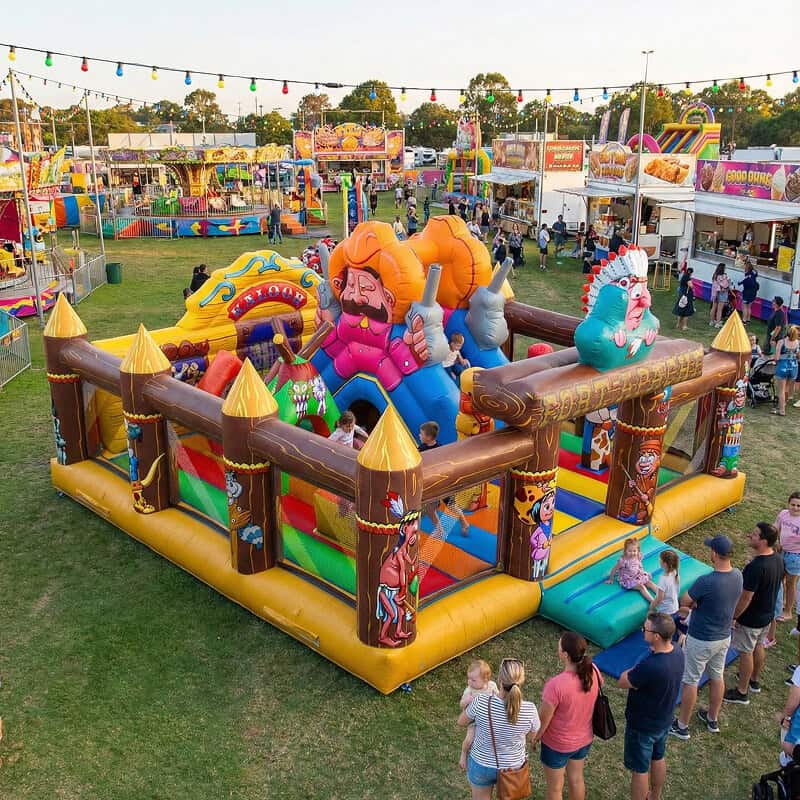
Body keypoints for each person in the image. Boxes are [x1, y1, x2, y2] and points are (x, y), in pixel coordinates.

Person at [670, 535, 743, 739]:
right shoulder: (738, 575)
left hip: (701, 638)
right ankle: (712, 718)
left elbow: (685, 600)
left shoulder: (707, 581)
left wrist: (695, 605)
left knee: (691, 680)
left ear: (714, 553)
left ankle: (682, 725)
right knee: (717, 676)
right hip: (723, 636)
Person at [619, 613, 685, 800]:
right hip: (663, 720)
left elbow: (624, 681)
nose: (643, 631)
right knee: (658, 757)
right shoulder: (678, 653)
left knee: (639, 769)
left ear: (656, 636)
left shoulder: (651, 665)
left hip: (643, 725)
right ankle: (655, 796)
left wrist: (633, 670)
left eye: (645, 629)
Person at [457, 658, 541, 800]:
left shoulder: (480, 702)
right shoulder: (530, 709)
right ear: (521, 681)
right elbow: (531, 737)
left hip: (481, 764)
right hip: (513, 767)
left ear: (500, 680)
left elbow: (461, 722)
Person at [534, 632, 599, 800]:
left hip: (557, 745)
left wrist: (534, 738)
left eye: (559, 646)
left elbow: (543, 721)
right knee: (576, 780)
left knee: (555, 789)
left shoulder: (555, 686)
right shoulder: (593, 671)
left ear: (565, 654)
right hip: (583, 740)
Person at [724, 522, 783, 704]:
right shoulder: (778, 559)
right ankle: (754, 680)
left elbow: (745, 598)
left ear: (764, 541)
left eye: (755, 534)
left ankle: (742, 692)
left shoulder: (756, 567)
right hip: (766, 615)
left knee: (745, 652)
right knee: (758, 646)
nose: (751, 535)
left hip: (751, 618)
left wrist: (734, 617)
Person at [418, 421, 469, 535]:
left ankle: (443, 529)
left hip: (436, 482)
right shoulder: (438, 447)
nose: (419, 436)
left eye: (421, 434)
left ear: (429, 437)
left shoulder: (425, 449)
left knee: (434, 507)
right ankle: (462, 524)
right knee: (446, 505)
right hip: (440, 482)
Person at [459, 660, 499, 771]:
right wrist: (466, 700)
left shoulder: (492, 686)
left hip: (489, 719)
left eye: (473, 680)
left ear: (485, 679)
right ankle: (464, 753)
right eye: (468, 679)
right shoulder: (469, 690)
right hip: (474, 721)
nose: (470, 682)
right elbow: (461, 705)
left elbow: (499, 697)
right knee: (469, 740)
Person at [650, 549, 688, 646]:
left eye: (660, 560)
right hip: (675, 607)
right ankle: (681, 635)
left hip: (665, 612)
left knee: (664, 631)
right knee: (673, 623)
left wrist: (651, 607)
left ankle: (673, 643)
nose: (659, 561)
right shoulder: (675, 572)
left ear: (665, 564)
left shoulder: (663, 579)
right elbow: (671, 591)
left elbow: (660, 598)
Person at [606, 537, 658, 602]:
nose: (632, 553)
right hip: (628, 579)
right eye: (629, 551)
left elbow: (639, 564)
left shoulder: (638, 555)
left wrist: (642, 571)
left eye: (634, 551)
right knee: (641, 587)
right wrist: (610, 579)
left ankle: (661, 595)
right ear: (625, 550)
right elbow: (614, 569)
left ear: (638, 550)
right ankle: (653, 602)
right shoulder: (623, 561)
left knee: (649, 582)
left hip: (637, 575)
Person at [776, 492, 800, 621]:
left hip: (795, 557)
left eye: (798, 505)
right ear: (788, 503)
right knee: (780, 579)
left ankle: (788, 611)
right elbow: (776, 528)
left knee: (791, 583)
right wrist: (776, 542)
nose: (795, 508)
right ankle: (782, 601)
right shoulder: (783, 514)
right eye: (793, 504)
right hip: (781, 552)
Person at [773, 325, 799, 417]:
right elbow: (798, 356)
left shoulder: (781, 342)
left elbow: (776, 357)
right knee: (787, 388)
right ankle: (783, 404)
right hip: (793, 367)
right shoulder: (797, 343)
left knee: (781, 390)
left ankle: (782, 410)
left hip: (783, 367)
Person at [709, 263, 731, 328]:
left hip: (715, 293)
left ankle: (712, 321)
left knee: (713, 307)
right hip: (722, 293)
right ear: (723, 268)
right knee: (720, 309)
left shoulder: (715, 275)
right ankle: (718, 323)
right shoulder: (724, 276)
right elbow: (727, 284)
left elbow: (714, 284)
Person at [738, 260, 760, 324]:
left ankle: (744, 320)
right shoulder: (753, 273)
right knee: (749, 306)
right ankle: (748, 320)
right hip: (753, 293)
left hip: (747, 293)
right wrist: (753, 268)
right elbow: (756, 273)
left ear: (746, 268)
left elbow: (739, 283)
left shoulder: (746, 276)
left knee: (744, 306)